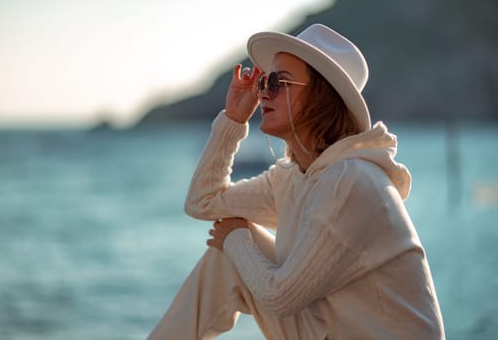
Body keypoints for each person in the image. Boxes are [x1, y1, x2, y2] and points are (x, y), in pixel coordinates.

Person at [147, 24, 445, 339]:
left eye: (280, 82)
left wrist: (235, 236)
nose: (263, 92)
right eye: (265, 81)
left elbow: (281, 297)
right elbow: (202, 202)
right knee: (225, 260)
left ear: (323, 97)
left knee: (236, 247)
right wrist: (233, 120)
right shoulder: (294, 177)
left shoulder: (352, 180)